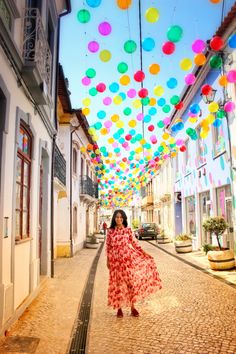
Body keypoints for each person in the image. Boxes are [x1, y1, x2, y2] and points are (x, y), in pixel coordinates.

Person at [106, 209, 162, 318]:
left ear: (124, 219)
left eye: (121, 217)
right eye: (117, 217)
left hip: (128, 261)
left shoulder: (128, 231)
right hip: (115, 262)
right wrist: (108, 261)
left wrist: (145, 253)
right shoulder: (110, 231)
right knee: (117, 285)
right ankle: (119, 308)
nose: (119, 219)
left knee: (130, 284)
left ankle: (132, 307)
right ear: (114, 218)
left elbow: (135, 244)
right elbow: (108, 247)